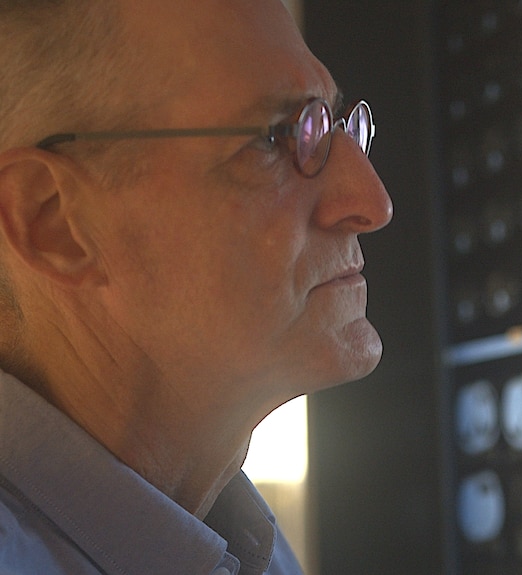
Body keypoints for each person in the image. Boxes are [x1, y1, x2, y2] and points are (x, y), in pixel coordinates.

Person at [0, 0, 392, 573]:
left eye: (329, 124)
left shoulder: (242, 542)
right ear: (55, 222)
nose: (372, 203)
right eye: (277, 137)